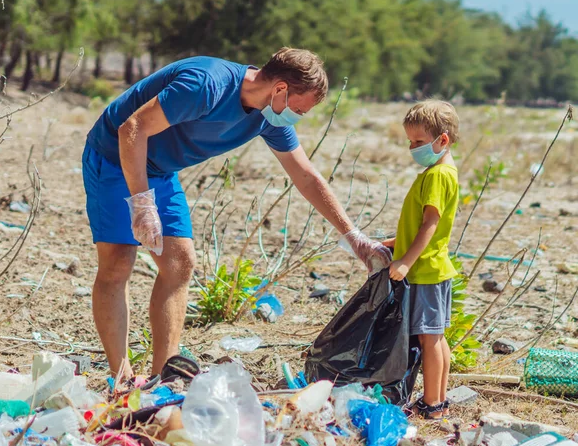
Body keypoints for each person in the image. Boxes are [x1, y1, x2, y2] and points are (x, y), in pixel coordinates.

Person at [82, 48, 391, 378]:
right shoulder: (206, 85)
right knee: (118, 261)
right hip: (115, 156)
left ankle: (163, 375)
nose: (297, 118)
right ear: (281, 89)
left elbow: (306, 176)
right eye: (299, 109)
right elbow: (132, 129)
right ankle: (122, 377)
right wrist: (142, 203)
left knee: (180, 262)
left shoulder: (267, 117)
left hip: (160, 169)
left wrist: (354, 237)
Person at [385, 99, 460, 419]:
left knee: (429, 340)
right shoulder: (443, 172)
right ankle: (438, 400)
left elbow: (430, 223)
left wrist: (405, 262)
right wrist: (395, 243)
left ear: (441, 140)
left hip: (426, 270)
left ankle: (431, 404)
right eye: (410, 141)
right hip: (435, 267)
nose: (412, 148)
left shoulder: (437, 175)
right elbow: (423, 224)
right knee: (437, 338)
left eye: (417, 141)